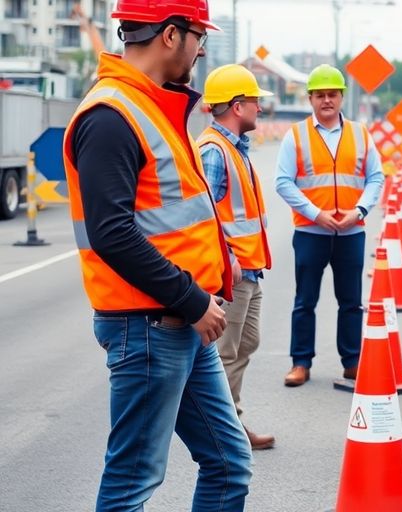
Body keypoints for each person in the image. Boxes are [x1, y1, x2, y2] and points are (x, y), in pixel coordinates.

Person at [63, 0, 251, 509]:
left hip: (180, 323)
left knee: (230, 465)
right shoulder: (111, 116)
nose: (200, 48)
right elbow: (111, 233)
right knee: (131, 485)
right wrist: (192, 298)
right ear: (171, 35)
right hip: (148, 328)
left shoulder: (151, 105)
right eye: (197, 35)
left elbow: (169, 215)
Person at [275, 64, 384, 387]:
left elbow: (376, 177)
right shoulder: (296, 135)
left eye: (332, 95)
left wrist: (360, 210)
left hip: (351, 231)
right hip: (311, 232)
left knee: (351, 301)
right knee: (304, 301)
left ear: (341, 97)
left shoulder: (361, 134)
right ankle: (301, 363)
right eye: (320, 95)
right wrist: (314, 213)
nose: (326, 101)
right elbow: (283, 182)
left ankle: (352, 361)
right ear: (310, 98)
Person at [198, 64, 275, 450]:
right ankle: (226, 435)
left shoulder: (235, 148)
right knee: (226, 354)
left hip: (250, 272)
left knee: (245, 345)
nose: (259, 108)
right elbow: (201, 216)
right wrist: (226, 259)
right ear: (236, 105)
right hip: (232, 275)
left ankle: (232, 423)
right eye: (254, 101)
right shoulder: (214, 151)